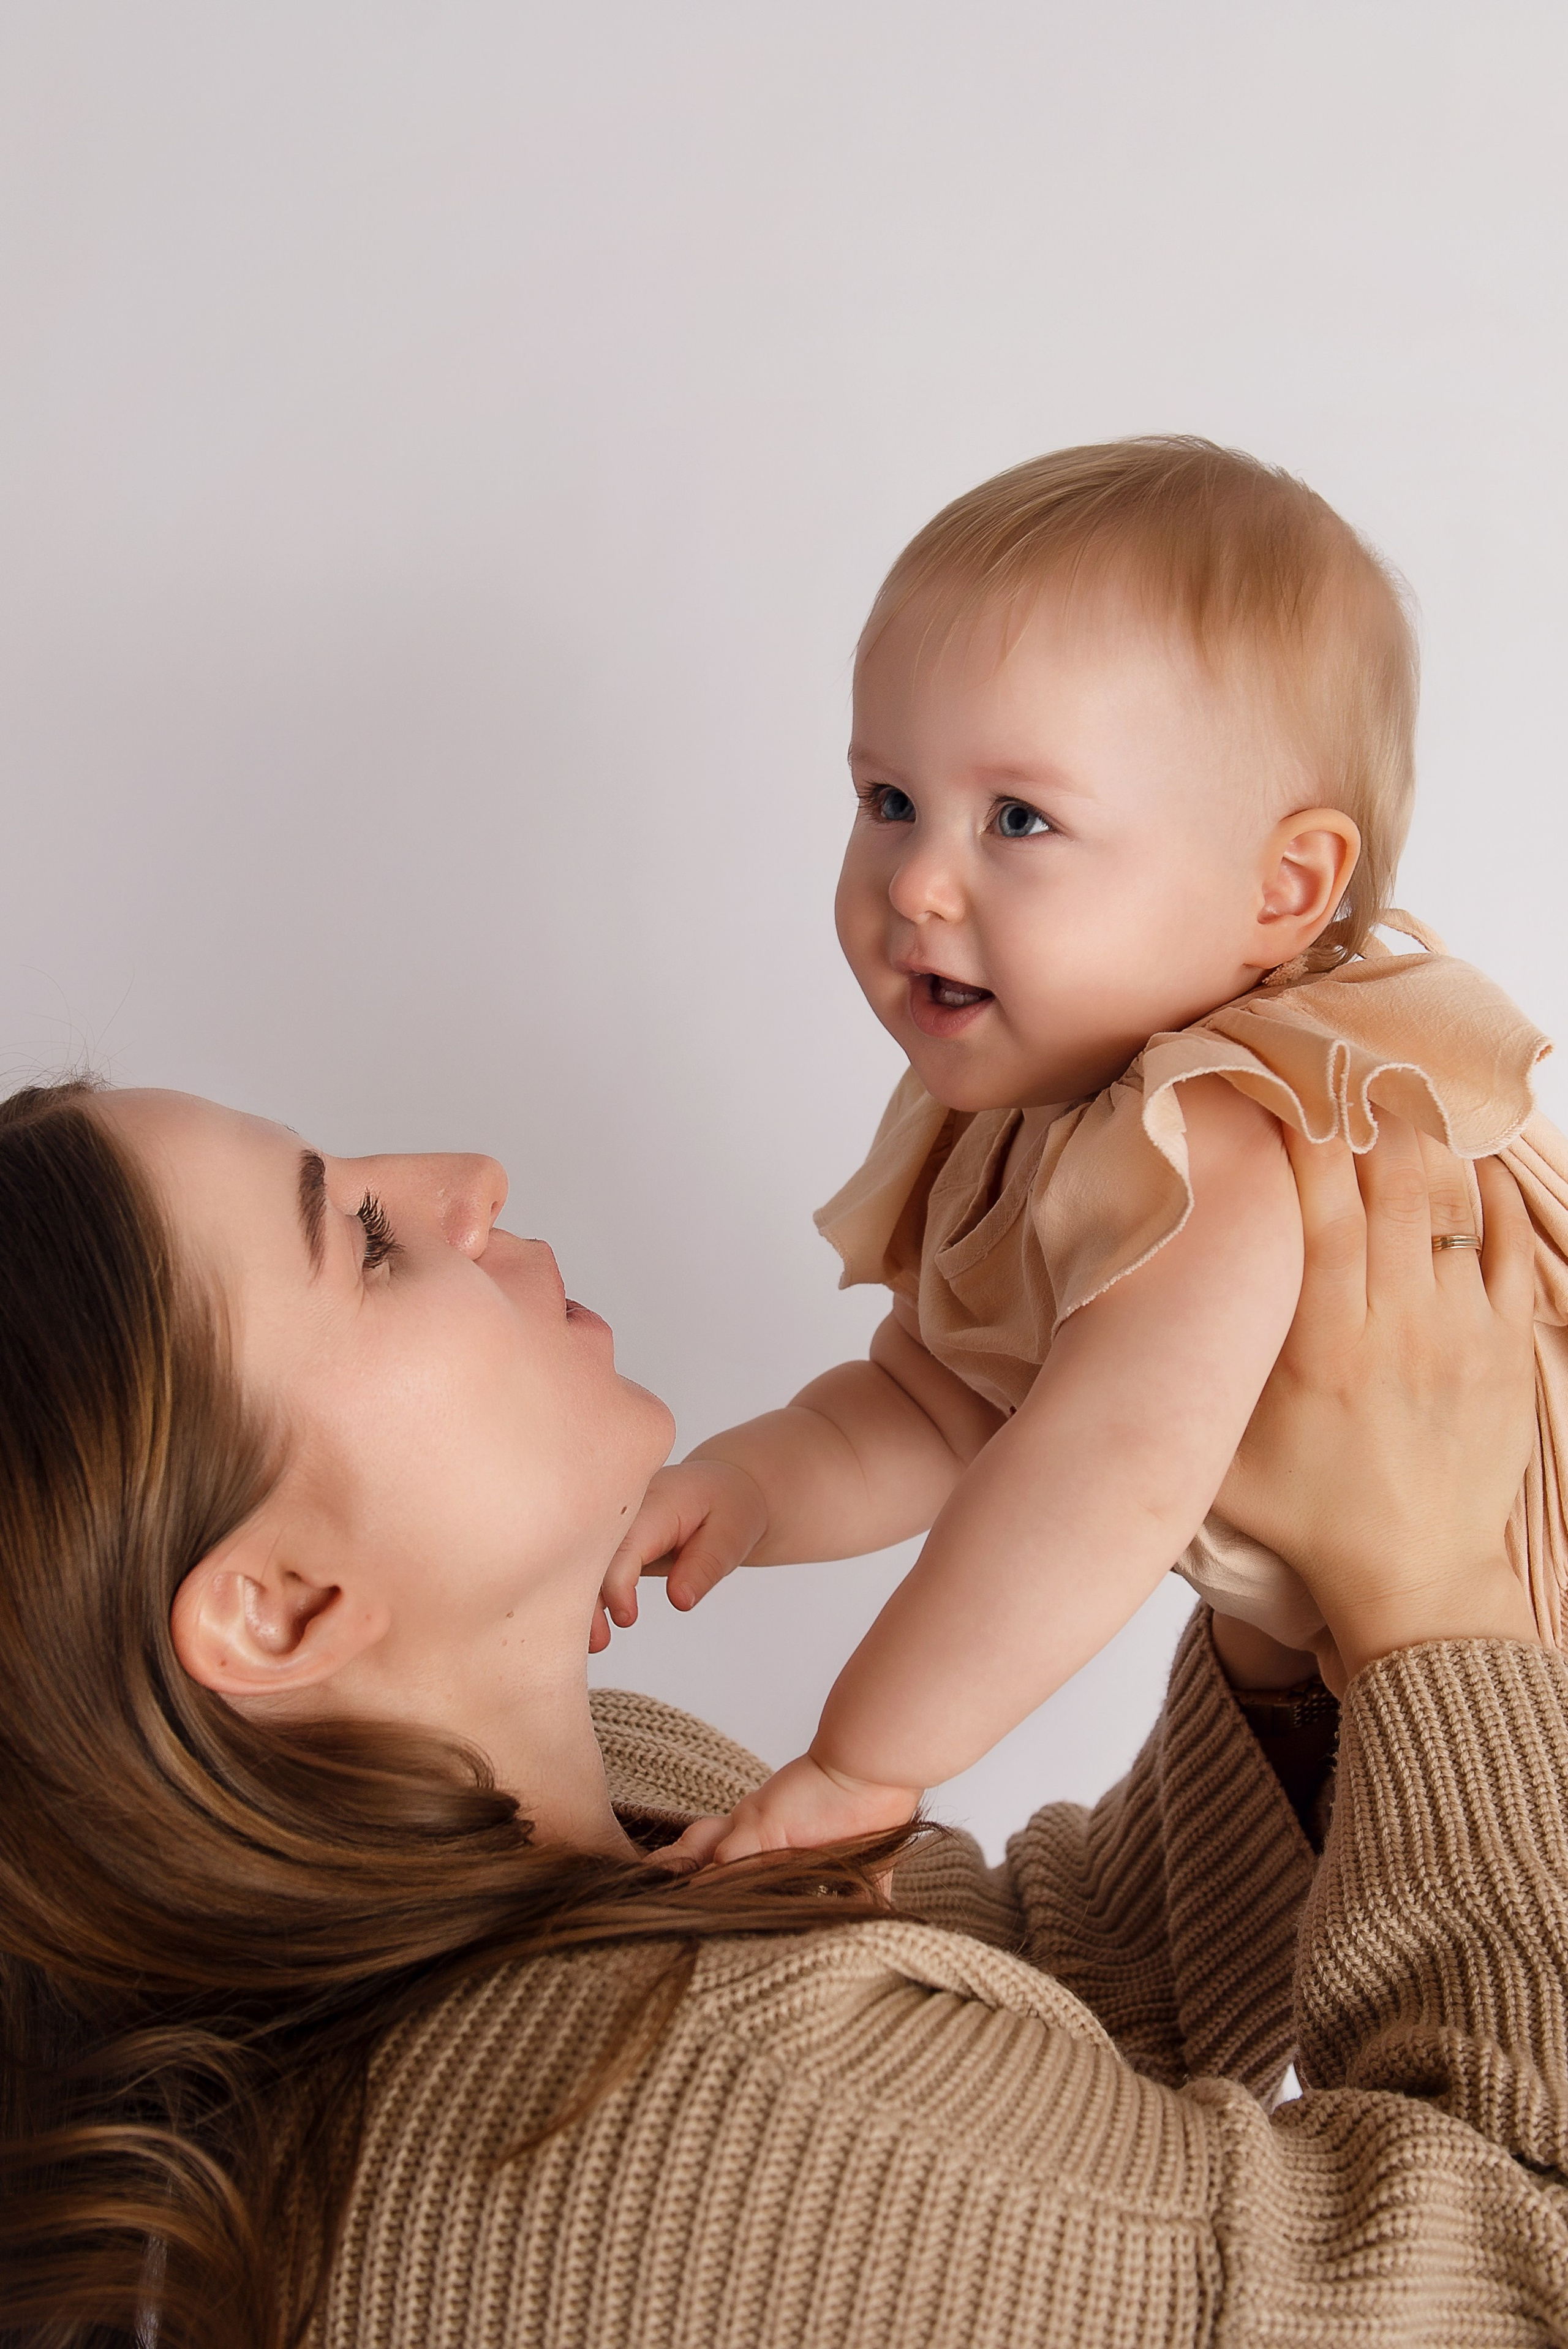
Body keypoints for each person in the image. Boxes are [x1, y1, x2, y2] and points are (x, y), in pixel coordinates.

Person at [3, 1073, 1568, 2348]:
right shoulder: (699, 2133)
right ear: (275, 1607)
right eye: (359, 1236)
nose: (465, 1175)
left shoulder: (586, 1805)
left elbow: (1043, 2026)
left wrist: (1286, 1640)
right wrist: (1435, 1607)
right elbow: (1523, 2277)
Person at [598, 436, 1568, 1861]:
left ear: (1281, 890)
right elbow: (942, 1408)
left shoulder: (1224, 1132)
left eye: (1018, 820)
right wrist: (750, 1484)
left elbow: (1099, 1473)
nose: (917, 883)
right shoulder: (1031, 1117)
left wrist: (865, 1761)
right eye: (886, 802)